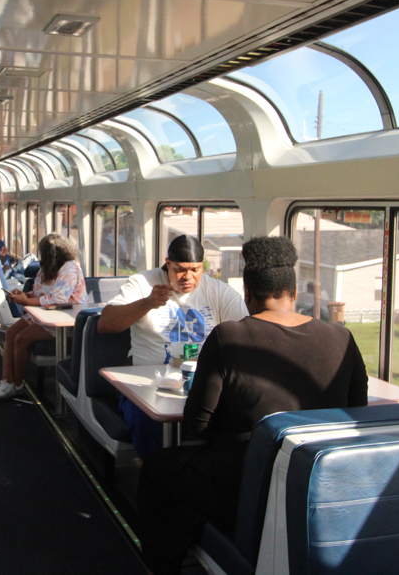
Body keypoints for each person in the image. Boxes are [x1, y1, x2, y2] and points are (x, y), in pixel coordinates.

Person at [136, 236, 368, 575]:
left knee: (160, 469)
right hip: (322, 482)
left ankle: (163, 566)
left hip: (244, 483)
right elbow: (355, 413)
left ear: (247, 293)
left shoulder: (229, 337)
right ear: (294, 292)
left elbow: (197, 424)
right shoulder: (342, 339)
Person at [98, 235, 249, 458]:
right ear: (167, 263)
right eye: (179, 269)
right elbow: (105, 324)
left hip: (203, 383)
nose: (188, 277)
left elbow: (246, 334)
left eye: (195, 269)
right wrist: (147, 303)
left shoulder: (219, 292)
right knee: (146, 423)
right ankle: (155, 475)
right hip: (148, 384)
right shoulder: (143, 284)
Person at [0, 234, 87, 401]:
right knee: (11, 333)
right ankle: (7, 380)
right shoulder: (47, 268)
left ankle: (18, 385)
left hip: (64, 320)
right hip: (45, 314)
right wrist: (23, 295)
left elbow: (59, 300)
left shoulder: (70, 268)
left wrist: (26, 301)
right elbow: (38, 293)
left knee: (21, 338)